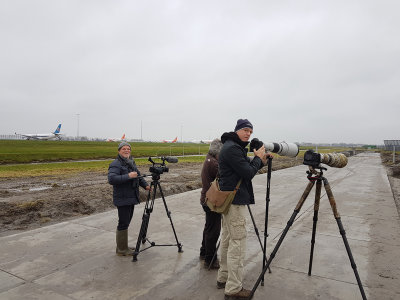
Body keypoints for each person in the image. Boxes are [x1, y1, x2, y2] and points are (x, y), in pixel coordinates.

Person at [216, 119, 270, 299]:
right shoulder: (232, 148)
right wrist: (257, 158)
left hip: (228, 200)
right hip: (235, 201)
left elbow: (244, 167)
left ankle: (223, 278)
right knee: (238, 244)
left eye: (250, 131)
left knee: (228, 239)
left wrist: (260, 160)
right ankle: (233, 289)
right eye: (245, 130)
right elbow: (247, 172)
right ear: (237, 130)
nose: (248, 134)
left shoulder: (232, 146)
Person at [108, 141, 150, 256]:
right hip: (122, 198)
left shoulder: (130, 162)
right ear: (119, 151)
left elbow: (138, 175)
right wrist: (127, 176)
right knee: (123, 222)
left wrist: (146, 185)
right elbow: (112, 179)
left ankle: (123, 246)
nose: (127, 151)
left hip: (130, 197)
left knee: (126, 222)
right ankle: (121, 250)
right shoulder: (116, 164)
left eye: (128, 149)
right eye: (124, 149)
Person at [200, 138, 223, 269]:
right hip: (211, 200)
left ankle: (204, 252)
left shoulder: (209, 159)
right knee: (213, 231)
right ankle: (210, 259)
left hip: (206, 198)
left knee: (209, 227)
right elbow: (224, 176)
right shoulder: (214, 163)